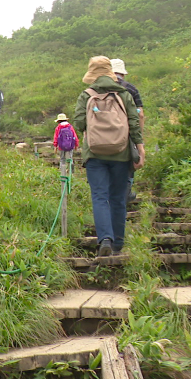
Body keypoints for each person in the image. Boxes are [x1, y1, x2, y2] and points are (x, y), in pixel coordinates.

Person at [74, 56, 145, 257]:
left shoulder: (86, 95)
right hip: (121, 153)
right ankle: (118, 244)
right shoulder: (125, 94)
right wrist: (140, 148)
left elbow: (79, 123)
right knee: (118, 198)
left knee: (99, 196)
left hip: (95, 154)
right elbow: (134, 123)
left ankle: (105, 239)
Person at [111, 58, 144, 202]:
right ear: (123, 73)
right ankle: (126, 191)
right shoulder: (131, 88)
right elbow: (140, 114)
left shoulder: (98, 88)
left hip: (103, 135)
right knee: (129, 164)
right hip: (127, 134)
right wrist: (138, 139)